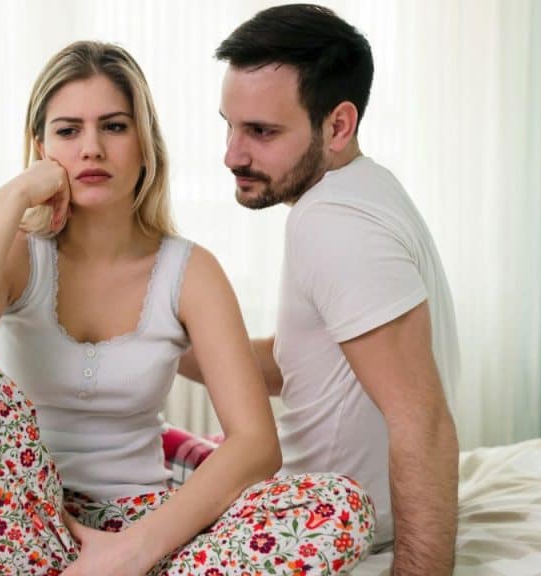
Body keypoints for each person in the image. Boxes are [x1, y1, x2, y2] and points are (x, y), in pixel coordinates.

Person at [0, 40, 374, 575]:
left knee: (340, 507)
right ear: (40, 148)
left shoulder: (191, 272)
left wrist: (133, 549)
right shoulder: (18, 256)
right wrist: (12, 197)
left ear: (144, 142)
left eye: (114, 126)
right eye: (67, 131)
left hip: (148, 526)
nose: (91, 149)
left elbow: (255, 444)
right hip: (26, 517)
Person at [179, 5, 461, 575]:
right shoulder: (360, 190)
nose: (232, 154)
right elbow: (303, 368)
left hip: (337, 527)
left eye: (260, 132)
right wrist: (154, 342)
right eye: (228, 125)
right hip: (323, 503)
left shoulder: (335, 223)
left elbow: (421, 419)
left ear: (338, 125)